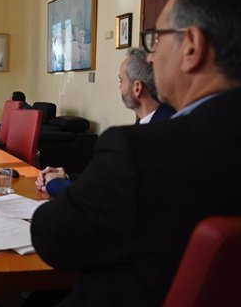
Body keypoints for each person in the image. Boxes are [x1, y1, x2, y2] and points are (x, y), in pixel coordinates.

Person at [0, 0, 241, 307]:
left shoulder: (142, 151)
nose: (153, 57)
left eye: (156, 40)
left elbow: (54, 240)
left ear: (192, 46)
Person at [37, 47, 176, 196]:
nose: (119, 87)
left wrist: (55, 184)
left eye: (121, 80)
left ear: (137, 88)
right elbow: (111, 180)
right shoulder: (150, 121)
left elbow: (110, 194)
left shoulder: (162, 131)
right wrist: (66, 176)